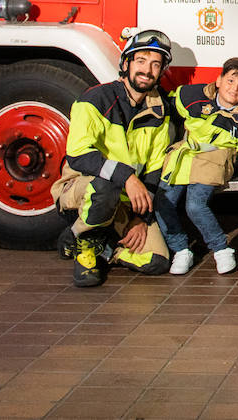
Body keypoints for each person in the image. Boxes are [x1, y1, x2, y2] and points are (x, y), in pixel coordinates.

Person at [51, 29, 177, 287]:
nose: (147, 70)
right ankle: (83, 244)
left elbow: (154, 170)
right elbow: (78, 155)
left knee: (157, 262)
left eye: (156, 64)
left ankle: (104, 247)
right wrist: (127, 177)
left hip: (123, 201)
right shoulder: (95, 99)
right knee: (106, 187)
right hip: (83, 188)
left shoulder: (159, 111)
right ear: (126, 64)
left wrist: (140, 218)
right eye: (140, 61)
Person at [155, 57, 238, 276]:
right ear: (219, 80)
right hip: (184, 155)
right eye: (231, 81)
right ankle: (180, 249)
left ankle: (221, 249)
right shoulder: (192, 96)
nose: (234, 89)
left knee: (195, 205)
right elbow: (166, 102)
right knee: (162, 201)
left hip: (216, 157)